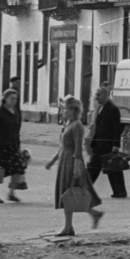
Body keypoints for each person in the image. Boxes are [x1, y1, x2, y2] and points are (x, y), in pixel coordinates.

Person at [45, 96, 103, 237]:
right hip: (64, 161)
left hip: (71, 162)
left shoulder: (77, 125)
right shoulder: (68, 124)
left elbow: (78, 148)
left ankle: (69, 227)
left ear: (73, 110)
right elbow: (62, 147)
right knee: (69, 193)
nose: (63, 111)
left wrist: (77, 166)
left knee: (69, 193)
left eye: (65, 108)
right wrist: (52, 161)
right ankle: (91, 216)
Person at [0, 88, 28, 204]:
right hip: (0, 146)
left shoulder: (15, 111)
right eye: (11, 98)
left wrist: (18, 145)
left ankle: (11, 193)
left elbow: (17, 130)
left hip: (13, 145)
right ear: (5, 99)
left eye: (16, 98)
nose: (14, 100)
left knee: (18, 168)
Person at [86, 84, 128, 198]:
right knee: (95, 167)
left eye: (98, 94)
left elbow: (117, 128)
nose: (96, 96)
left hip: (107, 144)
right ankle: (85, 188)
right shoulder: (101, 106)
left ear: (105, 95)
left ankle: (120, 192)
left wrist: (115, 145)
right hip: (99, 143)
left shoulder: (112, 108)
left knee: (112, 168)